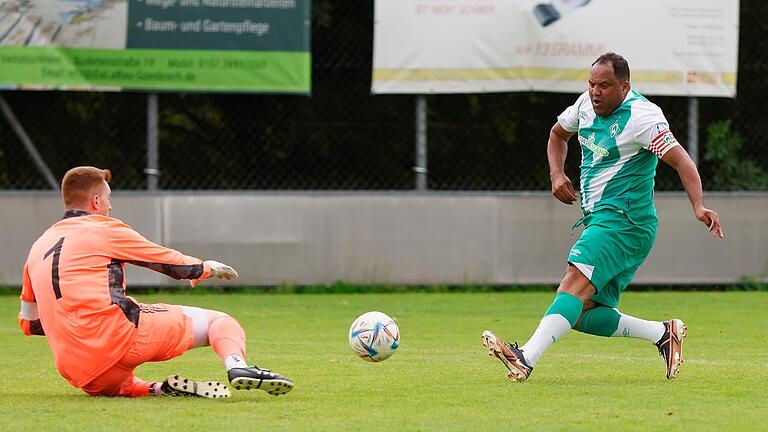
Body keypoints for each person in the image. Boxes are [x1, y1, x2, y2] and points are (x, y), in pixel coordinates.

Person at [482, 52, 724, 382]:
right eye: (592, 84)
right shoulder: (584, 105)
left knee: (571, 285)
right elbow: (556, 135)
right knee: (581, 312)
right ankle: (662, 333)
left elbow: (682, 162)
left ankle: (525, 357)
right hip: (604, 221)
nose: (596, 92)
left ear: (625, 86)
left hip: (624, 220)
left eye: (605, 86)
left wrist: (698, 206)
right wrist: (556, 174)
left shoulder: (642, 117)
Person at [18, 166, 294, 398]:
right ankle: (238, 366)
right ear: (95, 202)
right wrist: (204, 268)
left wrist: (74, 327)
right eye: (108, 198)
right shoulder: (103, 228)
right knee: (220, 322)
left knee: (122, 386)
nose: (110, 206)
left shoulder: (38, 246)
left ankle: (160, 390)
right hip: (119, 337)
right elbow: (166, 261)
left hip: (78, 368)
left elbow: (30, 323)